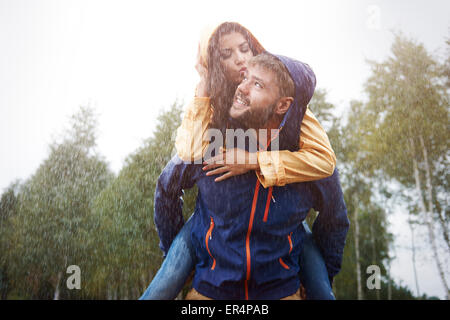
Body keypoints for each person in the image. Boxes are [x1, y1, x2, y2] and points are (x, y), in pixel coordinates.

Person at [140, 22, 338, 300]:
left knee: (318, 282)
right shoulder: (210, 102)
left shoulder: (287, 104)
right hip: (213, 224)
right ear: (214, 63)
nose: (240, 59)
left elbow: (324, 162)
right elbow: (186, 155)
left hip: (280, 216)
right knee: (165, 281)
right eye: (226, 54)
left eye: (245, 49)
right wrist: (204, 84)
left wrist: (254, 160)